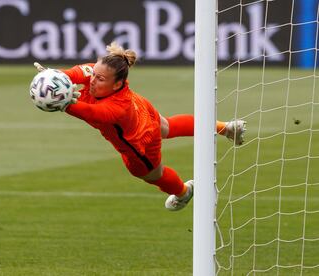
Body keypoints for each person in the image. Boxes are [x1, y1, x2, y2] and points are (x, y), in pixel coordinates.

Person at [33, 42, 246, 211]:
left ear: (117, 84)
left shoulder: (116, 109)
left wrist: (61, 100)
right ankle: (226, 128)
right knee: (167, 125)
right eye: (93, 74)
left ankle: (184, 192)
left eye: (99, 79)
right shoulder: (97, 72)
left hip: (139, 143)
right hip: (143, 109)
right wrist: (54, 78)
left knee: (153, 174)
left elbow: (91, 113)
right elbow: (73, 74)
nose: (92, 80)